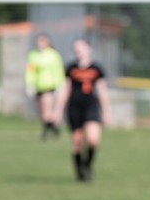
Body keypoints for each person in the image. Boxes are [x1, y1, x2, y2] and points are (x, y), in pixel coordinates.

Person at [54, 39, 110, 183]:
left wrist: (106, 111)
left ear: (89, 49)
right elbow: (65, 89)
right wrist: (58, 110)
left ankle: (88, 165)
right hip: (75, 106)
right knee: (77, 142)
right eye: (76, 49)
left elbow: (102, 91)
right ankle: (80, 173)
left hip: (91, 105)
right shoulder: (71, 68)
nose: (79, 52)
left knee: (93, 140)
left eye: (81, 48)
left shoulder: (97, 68)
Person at [24, 33, 66, 140]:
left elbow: (58, 71)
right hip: (38, 86)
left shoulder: (53, 55)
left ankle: (46, 132)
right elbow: (30, 71)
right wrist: (30, 84)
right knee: (41, 111)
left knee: (46, 110)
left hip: (49, 85)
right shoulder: (33, 55)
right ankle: (54, 129)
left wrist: (59, 85)